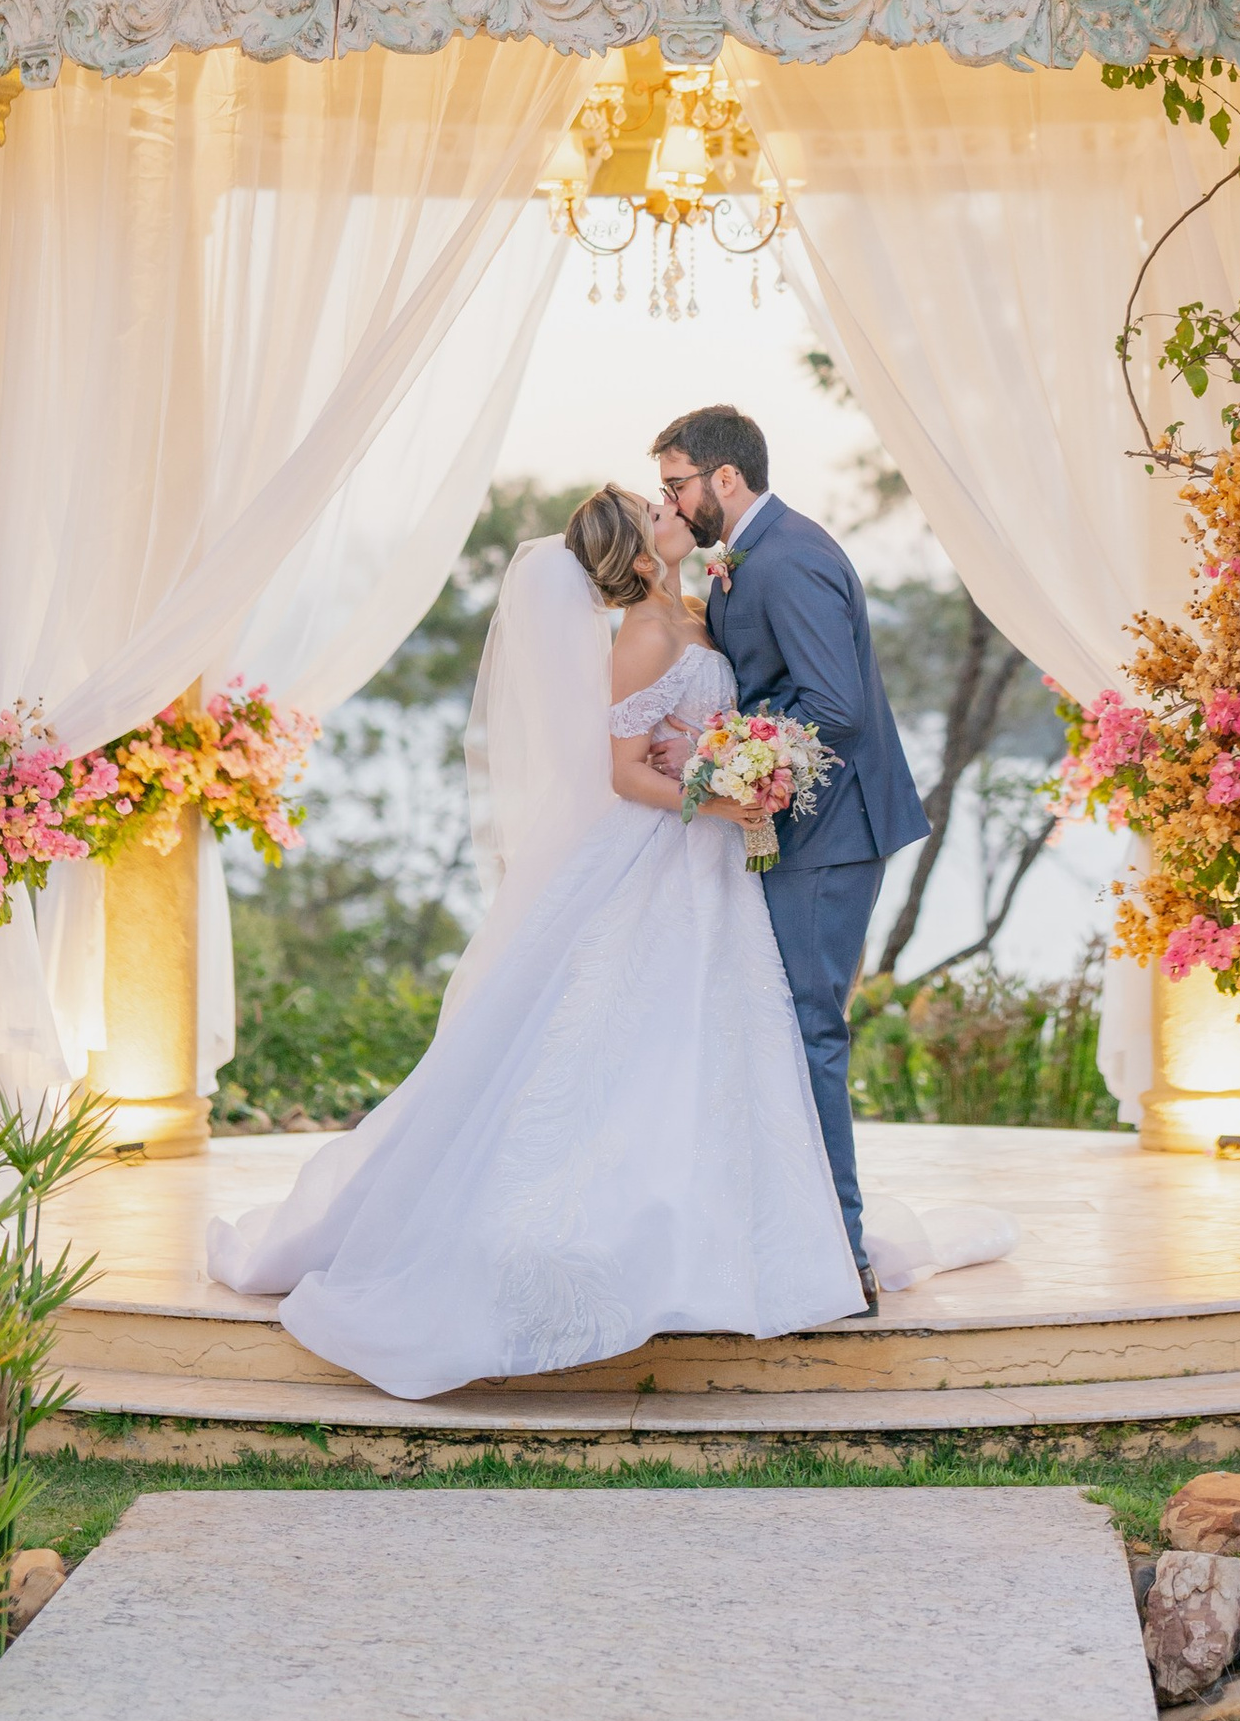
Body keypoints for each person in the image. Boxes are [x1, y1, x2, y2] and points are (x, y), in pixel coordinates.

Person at [204, 485, 874, 1394]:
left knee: (721, 1047)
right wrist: (725, 796)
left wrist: (731, 759)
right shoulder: (642, 635)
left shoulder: (694, 606)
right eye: (653, 510)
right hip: (666, 853)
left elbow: (698, 729)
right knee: (635, 1040)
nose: (668, 507)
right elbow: (624, 774)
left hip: (714, 865)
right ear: (641, 556)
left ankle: (729, 1238)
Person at [650, 403, 929, 1313]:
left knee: (811, 1035)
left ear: (724, 479)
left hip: (831, 834)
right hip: (795, 830)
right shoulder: (742, 560)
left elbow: (833, 708)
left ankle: (840, 1258)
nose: (672, 502)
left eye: (677, 485)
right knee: (781, 1032)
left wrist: (724, 763)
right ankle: (785, 1233)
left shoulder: (793, 556)